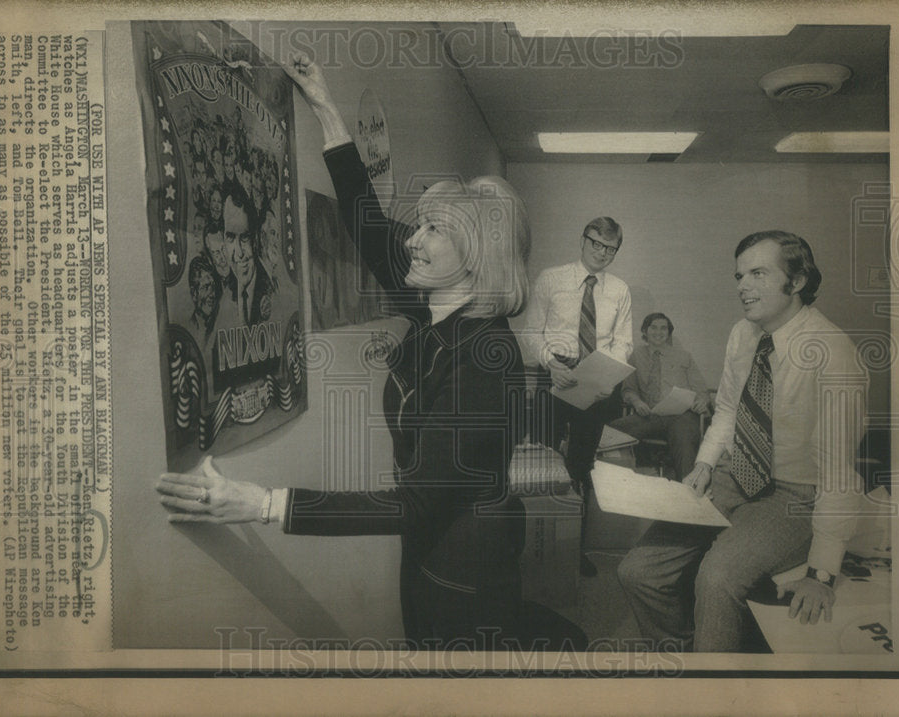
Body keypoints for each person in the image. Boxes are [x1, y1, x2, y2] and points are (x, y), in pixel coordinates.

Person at [157, 53, 583, 651]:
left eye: (436, 230)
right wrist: (324, 104)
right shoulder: (433, 309)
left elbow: (414, 502)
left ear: (477, 258)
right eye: (422, 224)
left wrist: (262, 504)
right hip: (430, 549)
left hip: (468, 567)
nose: (415, 238)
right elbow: (368, 221)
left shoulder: (489, 356)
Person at [617, 231, 867, 652]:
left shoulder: (833, 352)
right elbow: (729, 410)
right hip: (734, 475)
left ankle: (712, 691)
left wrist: (822, 573)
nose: (741, 286)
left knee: (716, 579)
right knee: (636, 571)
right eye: (739, 275)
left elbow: (840, 473)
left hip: (795, 495)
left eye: (757, 273)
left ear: (798, 281)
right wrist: (704, 465)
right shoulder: (742, 333)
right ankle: (682, 653)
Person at [523, 216, 633, 576]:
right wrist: (550, 363)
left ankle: (572, 550)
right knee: (543, 464)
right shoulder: (551, 279)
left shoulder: (619, 289)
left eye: (610, 248)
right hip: (554, 378)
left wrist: (609, 375)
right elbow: (531, 331)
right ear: (582, 240)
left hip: (597, 384)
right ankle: (536, 549)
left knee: (581, 468)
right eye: (596, 244)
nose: (602, 253)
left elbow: (623, 342)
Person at [610, 312, 710, 481]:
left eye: (664, 328)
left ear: (669, 332)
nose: (659, 332)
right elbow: (628, 390)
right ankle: (618, 487)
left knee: (684, 443)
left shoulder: (684, 356)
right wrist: (637, 402)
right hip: (650, 415)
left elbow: (702, 391)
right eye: (654, 327)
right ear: (645, 331)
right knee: (610, 433)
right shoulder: (636, 356)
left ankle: (687, 495)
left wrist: (701, 401)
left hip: (682, 416)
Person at [222, 182, 275, 326]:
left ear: (255, 239)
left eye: (245, 237)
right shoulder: (223, 292)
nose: (238, 253)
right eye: (230, 237)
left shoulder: (272, 290)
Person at [187, 254, 221, 342]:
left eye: (213, 287)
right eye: (206, 287)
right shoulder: (189, 329)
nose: (212, 294)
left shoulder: (219, 325)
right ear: (194, 293)